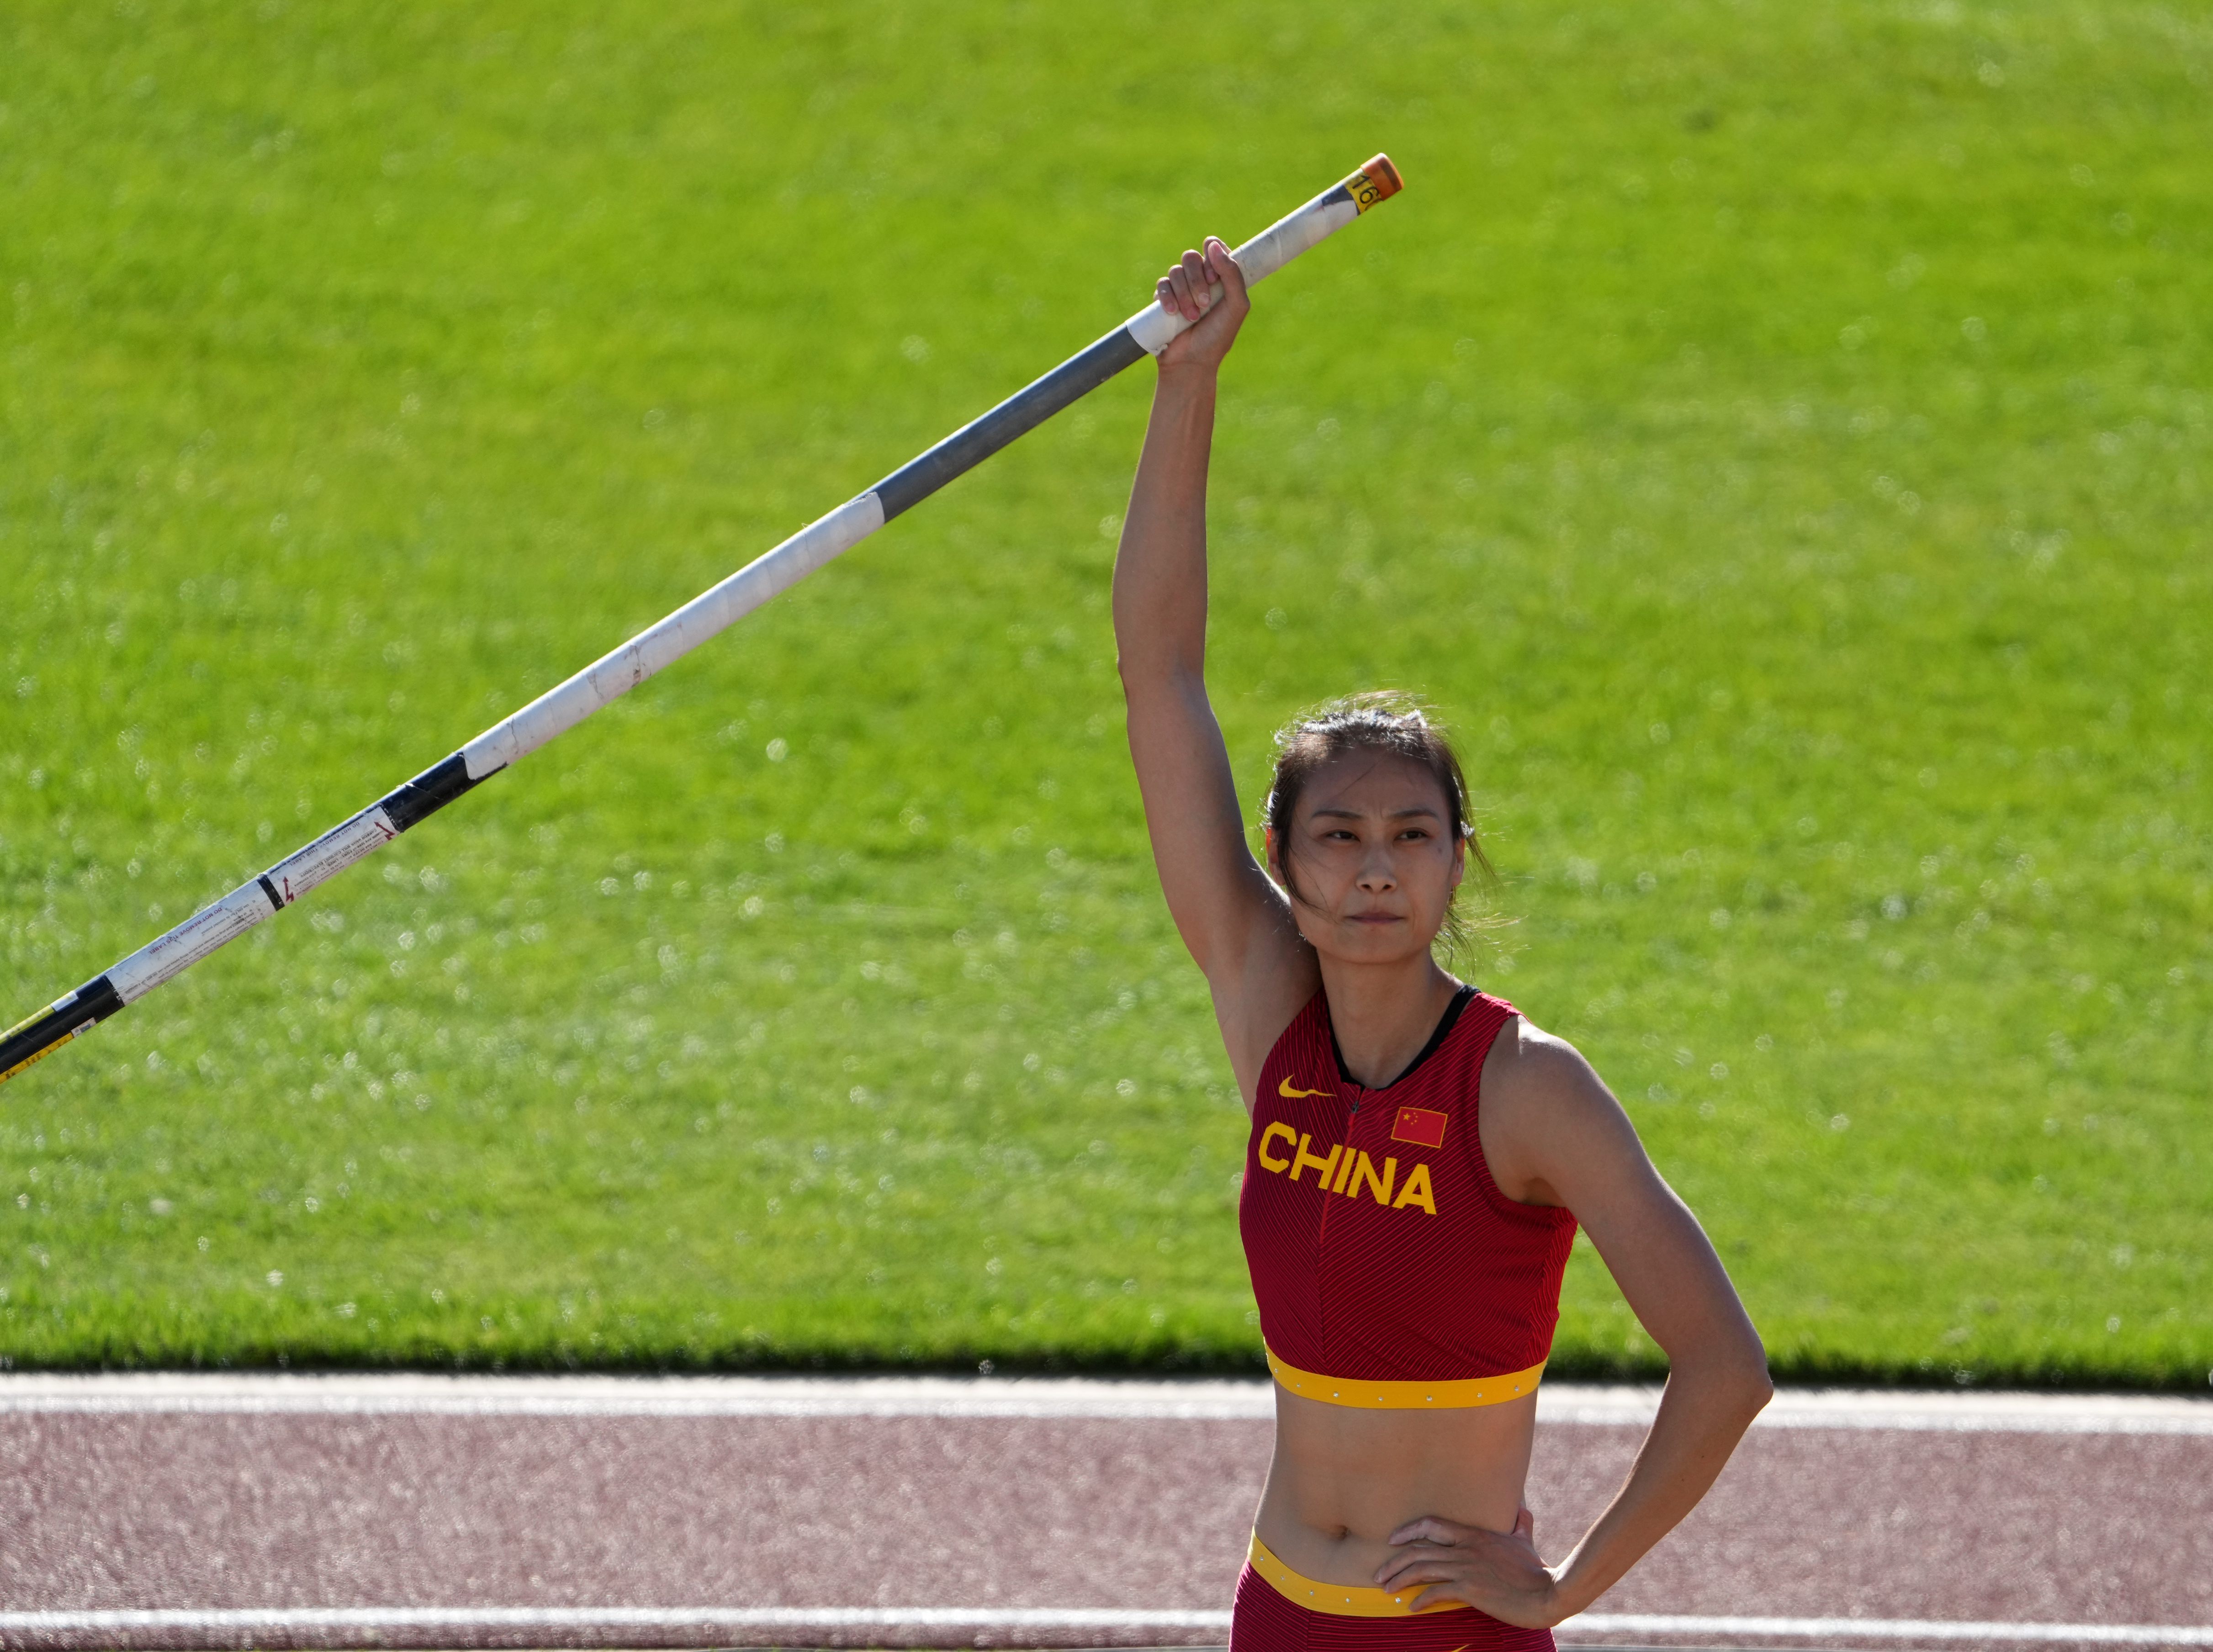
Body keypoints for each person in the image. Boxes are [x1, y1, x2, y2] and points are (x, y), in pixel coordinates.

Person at [1112, 237, 1775, 1651]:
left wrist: (1561, 1587)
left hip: (1452, 1634)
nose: (1372, 873)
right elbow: (1157, 669)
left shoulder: (1524, 1086)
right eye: (1336, 839)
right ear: (1281, 866)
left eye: (1412, 838)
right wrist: (1188, 385)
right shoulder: (1265, 1009)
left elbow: (1723, 1367)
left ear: (1455, 861)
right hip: (1279, 1611)